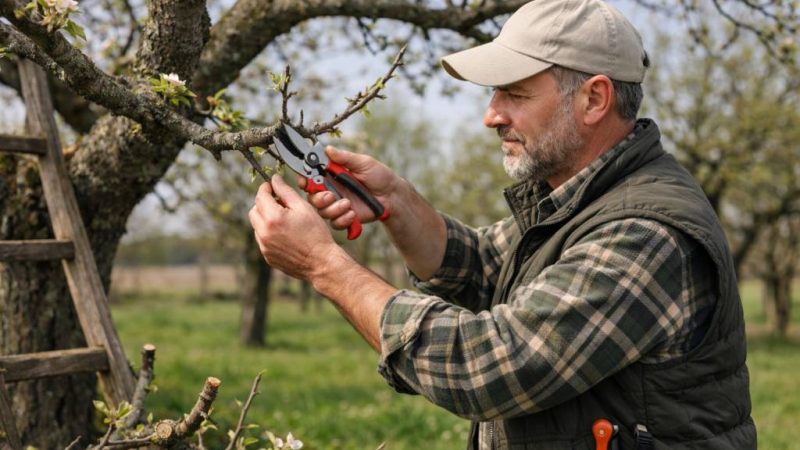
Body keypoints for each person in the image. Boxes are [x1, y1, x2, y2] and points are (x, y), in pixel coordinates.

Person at [248, 0, 757, 448]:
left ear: (595, 100)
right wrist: (397, 204)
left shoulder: (646, 234)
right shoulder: (573, 199)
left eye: (515, 93)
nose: (491, 116)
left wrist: (324, 265)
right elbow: (480, 265)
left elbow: (489, 367)